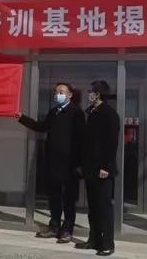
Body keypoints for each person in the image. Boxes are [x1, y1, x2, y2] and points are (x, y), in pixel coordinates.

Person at [16, 82, 85, 244]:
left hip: (69, 164)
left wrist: (80, 164)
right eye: (56, 92)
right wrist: (21, 117)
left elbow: (82, 139)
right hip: (53, 163)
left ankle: (67, 230)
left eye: (61, 92)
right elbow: (41, 127)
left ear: (70, 95)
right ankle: (54, 227)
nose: (57, 94)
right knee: (54, 197)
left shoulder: (76, 112)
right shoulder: (53, 112)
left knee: (68, 199)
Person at [76, 80, 121, 256]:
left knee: (103, 207)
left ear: (99, 94)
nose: (90, 94)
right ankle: (94, 240)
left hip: (103, 169)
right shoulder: (92, 113)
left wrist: (105, 166)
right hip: (90, 168)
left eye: (92, 91)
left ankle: (107, 243)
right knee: (93, 207)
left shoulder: (110, 114)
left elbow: (111, 143)